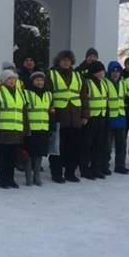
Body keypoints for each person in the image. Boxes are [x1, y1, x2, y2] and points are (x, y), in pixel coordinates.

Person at [47, 50, 84, 183]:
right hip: (58, 117)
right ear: (58, 61)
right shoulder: (51, 74)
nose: (66, 62)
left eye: (68, 60)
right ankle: (56, 173)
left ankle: (70, 172)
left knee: (73, 148)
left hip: (75, 118)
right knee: (57, 148)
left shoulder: (78, 75)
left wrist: (85, 115)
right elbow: (47, 94)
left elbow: (83, 96)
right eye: (63, 59)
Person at [0, 69, 26, 188]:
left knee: (13, 157)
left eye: (13, 78)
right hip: (3, 131)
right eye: (9, 78)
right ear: (4, 80)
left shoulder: (20, 93)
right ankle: (2, 179)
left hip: (16, 130)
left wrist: (26, 129)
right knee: (2, 157)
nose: (12, 81)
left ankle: (10, 179)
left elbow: (23, 112)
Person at [80, 61, 109, 180]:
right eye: (101, 71)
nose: (103, 73)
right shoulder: (87, 83)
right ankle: (84, 169)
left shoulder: (104, 83)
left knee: (98, 145)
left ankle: (95, 168)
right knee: (87, 145)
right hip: (90, 119)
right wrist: (84, 116)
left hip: (101, 117)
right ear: (95, 72)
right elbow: (84, 101)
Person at [23, 71, 52, 186]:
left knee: (39, 153)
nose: (40, 82)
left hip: (43, 128)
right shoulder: (26, 93)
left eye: (41, 80)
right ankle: (28, 177)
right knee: (29, 154)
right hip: (31, 129)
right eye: (37, 80)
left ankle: (37, 176)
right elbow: (24, 112)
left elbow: (50, 111)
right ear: (32, 81)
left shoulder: (48, 94)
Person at [105, 61, 129, 175]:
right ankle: (105, 165)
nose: (115, 73)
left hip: (121, 117)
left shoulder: (123, 83)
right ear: (109, 72)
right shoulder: (105, 83)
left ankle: (120, 165)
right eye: (113, 71)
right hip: (109, 118)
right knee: (107, 145)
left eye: (118, 71)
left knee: (122, 144)